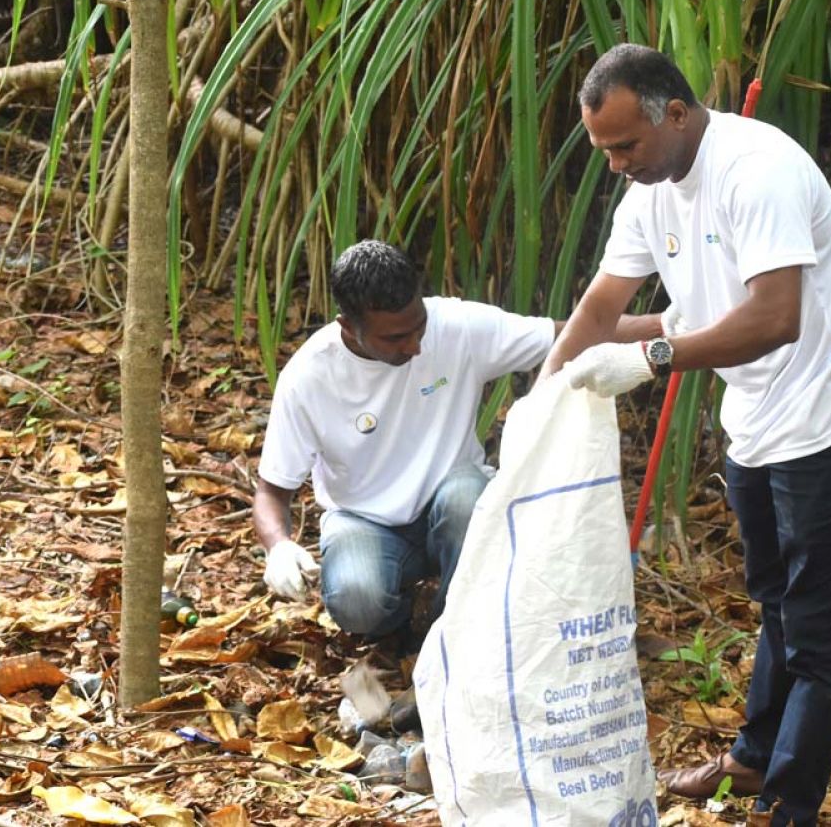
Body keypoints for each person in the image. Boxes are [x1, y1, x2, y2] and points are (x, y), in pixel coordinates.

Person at [541, 44, 831, 827]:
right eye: (603, 151)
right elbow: (601, 307)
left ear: (676, 111)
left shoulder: (755, 169)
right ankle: (752, 756)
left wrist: (653, 357)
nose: (614, 166)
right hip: (756, 421)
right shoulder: (651, 190)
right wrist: (541, 398)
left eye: (624, 146)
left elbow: (776, 318)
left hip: (827, 416)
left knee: (822, 631)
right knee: (774, 600)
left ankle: (785, 804)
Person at [254, 239, 658, 648]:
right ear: (349, 327)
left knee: (469, 497)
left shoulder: (456, 325)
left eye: (419, 327)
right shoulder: (308, 376)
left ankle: (451, 628)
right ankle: (398, 627)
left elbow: (569, 335)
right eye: (395, 338)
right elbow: (272, 489)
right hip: (363, 519)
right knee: (357, 600)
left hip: (453, 504)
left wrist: (668, 328)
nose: (414, 345)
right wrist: (279, 546)